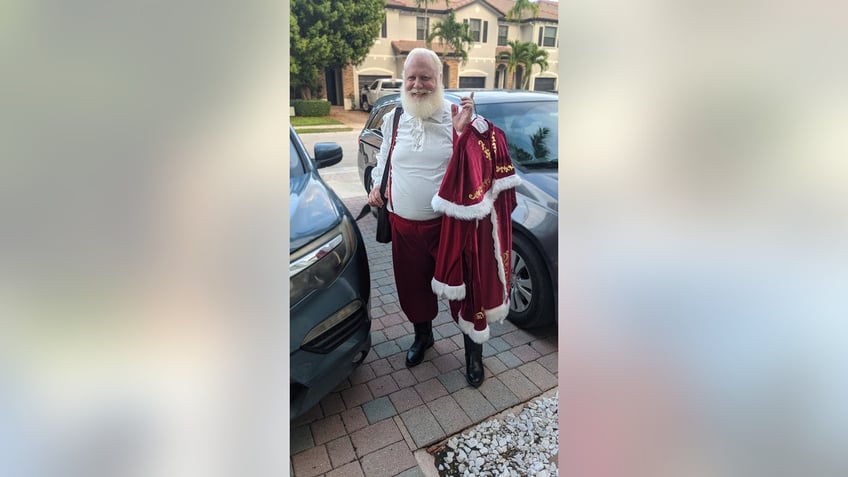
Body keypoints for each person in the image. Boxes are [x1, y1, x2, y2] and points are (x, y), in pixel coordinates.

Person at [367, 48, 483, 385]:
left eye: (425, 77)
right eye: (411, 78)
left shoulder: (457, 116)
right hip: (403, 226)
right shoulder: (395, 117)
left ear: (439, 80)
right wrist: (377, 186)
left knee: (463, 291)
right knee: (412, 289)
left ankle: (473, 355)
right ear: (404, 81)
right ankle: (424, 337)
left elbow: (476, 174)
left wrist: (463, 134)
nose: (418, 85)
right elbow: (385, 156)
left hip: (447, 228)